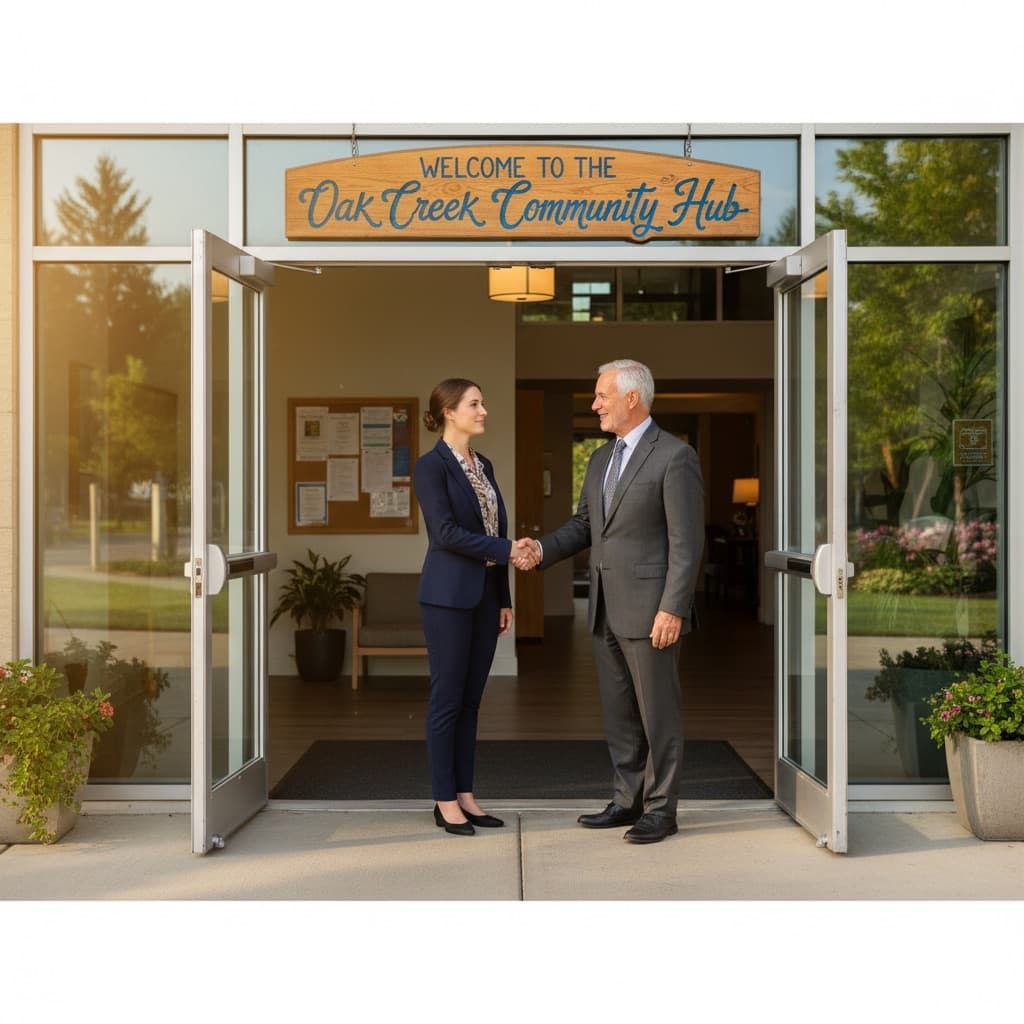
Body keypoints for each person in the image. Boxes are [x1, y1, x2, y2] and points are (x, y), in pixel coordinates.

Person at [514, 359, 705, 844]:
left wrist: (673, 607)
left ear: (632, 398)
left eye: (602, 395)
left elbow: (687, 542)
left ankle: (662, 809)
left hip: (652, 610)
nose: (595, 404)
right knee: (619, 714)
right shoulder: (600, 459)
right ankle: (627, 800)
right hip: (604, 608)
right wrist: (540, 550)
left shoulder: (674, 456)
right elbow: (584, 526)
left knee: (658, 714)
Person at [414, 378, 535, 836]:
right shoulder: (432, 467)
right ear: (449, 411)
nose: (484, 410)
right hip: (446, 599)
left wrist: (503, 598)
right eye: (475, 403)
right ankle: (444, 799)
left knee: (470, 703)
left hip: (485, 597)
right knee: (446, 702)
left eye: (483, 402)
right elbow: (444, 534)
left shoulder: (482, 465)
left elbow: (491, 528)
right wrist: (508, 549)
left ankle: (466, 794)